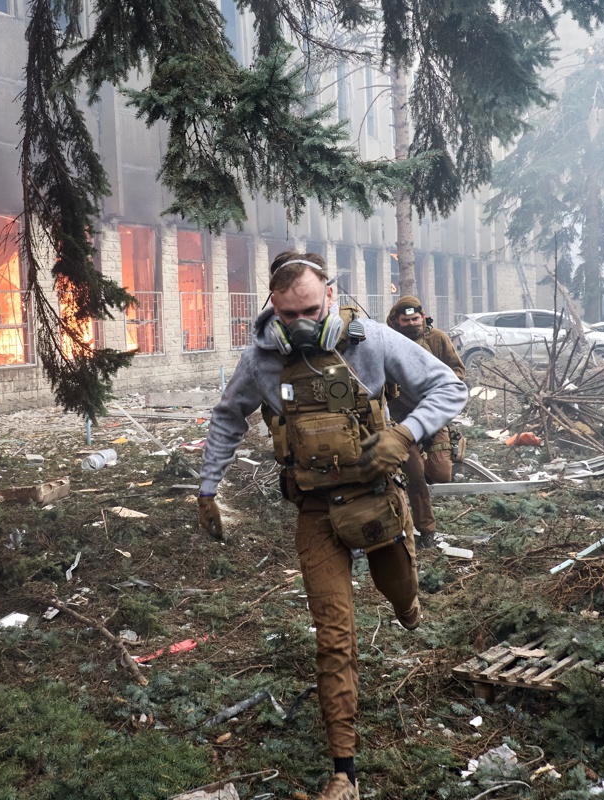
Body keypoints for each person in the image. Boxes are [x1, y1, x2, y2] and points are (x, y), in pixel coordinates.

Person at [197, 253, 467, 800]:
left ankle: (408, 603)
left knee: (401, 594)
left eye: (311, 309)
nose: (300, 324)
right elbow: (228, 417)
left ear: (330, 293)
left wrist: (405, 434)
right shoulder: (261, 361)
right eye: (289, 313)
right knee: (334, 636)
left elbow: (449, 386)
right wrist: (207, 487)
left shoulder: (371, 342)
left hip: (376, 503)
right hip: (315, 511)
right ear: (273, 304)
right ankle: (344, 772)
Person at [386, 296, 466, 549]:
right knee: (416, 478)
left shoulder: (438, 339)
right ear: (397, 322)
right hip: (403, 423)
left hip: (433, 417)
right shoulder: (388, 343)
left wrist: (440, 388)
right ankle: (426, 532)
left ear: (423, 316)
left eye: (415, 319)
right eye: (406, 320)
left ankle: (449, 444)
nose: (412, 324)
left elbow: (458, 371)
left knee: (441, 476)